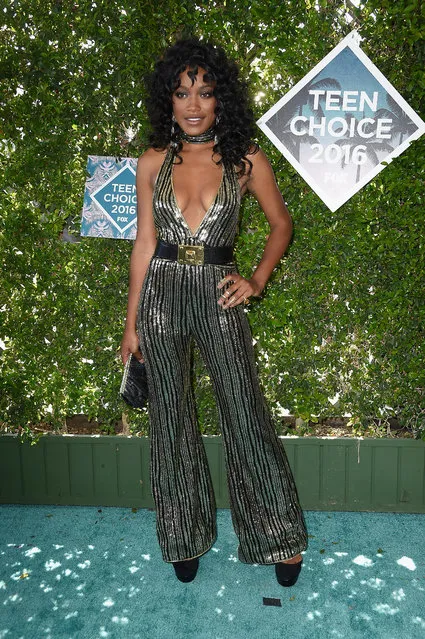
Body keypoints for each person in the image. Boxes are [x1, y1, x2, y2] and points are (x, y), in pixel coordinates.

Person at [120, 38, 308, 585]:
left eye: (204, 92)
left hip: (220, 292)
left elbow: (281, 225)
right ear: (169, 101)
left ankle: (280, 536)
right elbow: (143, 244)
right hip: (161, 294)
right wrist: (131, 324)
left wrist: (256, 278)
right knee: (171, 419)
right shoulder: (151, 161)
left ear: (221, 98)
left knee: (245, 413)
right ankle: (184, 534)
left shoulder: (246, 159)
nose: (194, 104)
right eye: (182, 93)